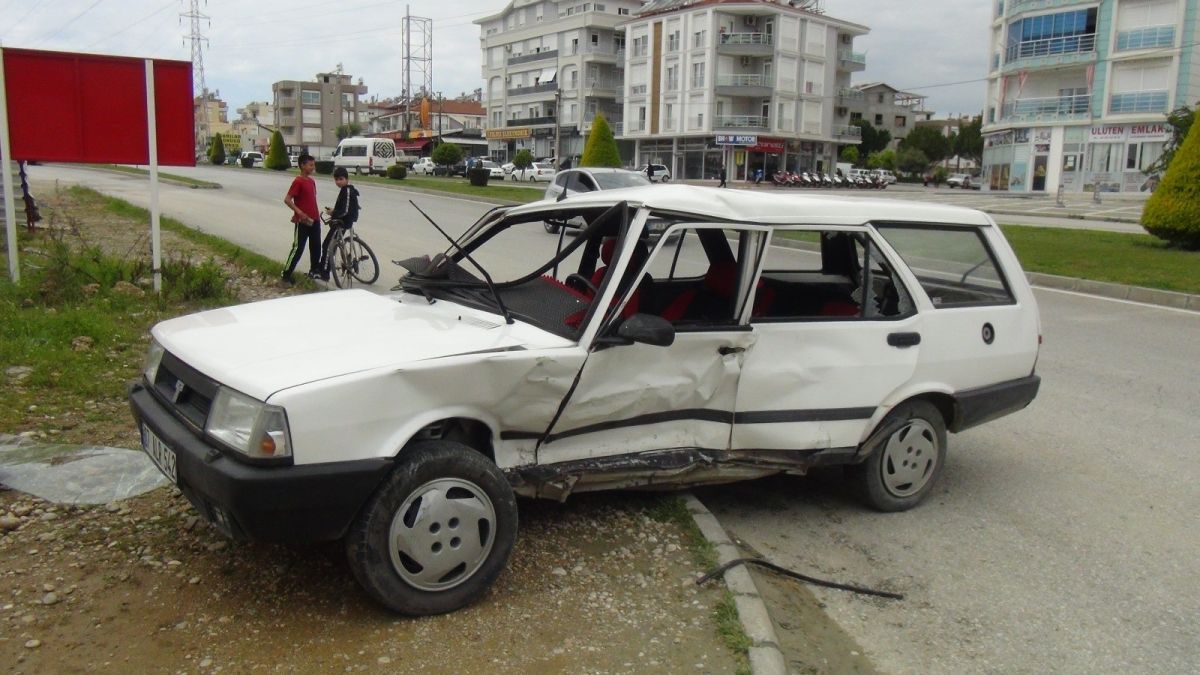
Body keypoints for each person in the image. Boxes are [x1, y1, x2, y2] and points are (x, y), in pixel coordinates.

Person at [314, 167, 361, 281]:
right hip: (341, 221)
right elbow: (345, 207)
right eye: (336, 180)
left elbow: (345, 211)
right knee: (330, 244)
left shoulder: (347, 190)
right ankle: (323, 268)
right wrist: (334, 210)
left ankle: (324, 273)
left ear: (347, 179)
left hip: (342, 222)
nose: (338, 182)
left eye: (341, 179)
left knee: (328, 246)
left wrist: (333, 212)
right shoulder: (344, 190)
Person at [281, 153, 320, 284]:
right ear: (302, 165)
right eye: (310, 165)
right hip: (302, 221)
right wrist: (299, 212)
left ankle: (314, 271)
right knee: (298, 248)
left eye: (313, 165)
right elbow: (287, 200)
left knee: (316, 247)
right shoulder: (298, 181)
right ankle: (286, 274)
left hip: (314, 220)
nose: (313, 167)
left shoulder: (311, 181)